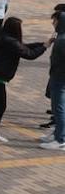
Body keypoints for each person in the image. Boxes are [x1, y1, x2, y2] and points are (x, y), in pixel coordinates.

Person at [0, 17, 49, 145]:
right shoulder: (10, 41)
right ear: (15, 29)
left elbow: (23, 47)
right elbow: (29, 55)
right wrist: (44, 47)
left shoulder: (3, 37)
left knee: (0, 106)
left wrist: (41, 44)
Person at [43, 9, 65, 150]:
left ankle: (60, 139)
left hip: (60, 78)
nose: (53, 23)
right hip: (57, 76)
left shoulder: (63, 40)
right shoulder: (60, 37)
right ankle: (58, 132)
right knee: (57, 107)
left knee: (59, 108)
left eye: (55, 20)